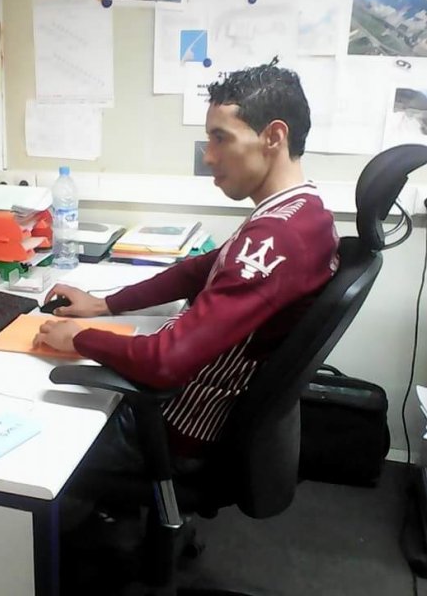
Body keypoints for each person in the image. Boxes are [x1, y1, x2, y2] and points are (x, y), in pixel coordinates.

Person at [34, 61, 340, 475]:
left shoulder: (277, 238)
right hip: (192, 401)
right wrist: (104, 305)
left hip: (178, 426)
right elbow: (198, 270)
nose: (208, 156)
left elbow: (166, 362)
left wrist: (79, 338)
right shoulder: (303, 212)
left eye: (221, 138)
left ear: (274, 136)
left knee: (39, 421)